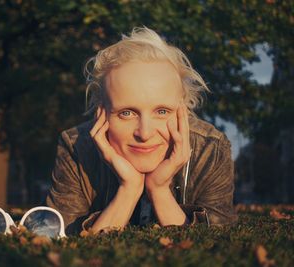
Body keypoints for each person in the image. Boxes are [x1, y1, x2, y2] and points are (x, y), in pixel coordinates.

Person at [46, 27, 238, 235]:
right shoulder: (76, 148)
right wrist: (128, 190)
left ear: (182, 110)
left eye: (162, 111)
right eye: (127, 113)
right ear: (102, 113)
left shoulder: (210, 149)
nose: (144, 133)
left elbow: (216, 246)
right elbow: (64, 243)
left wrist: (159, 190)